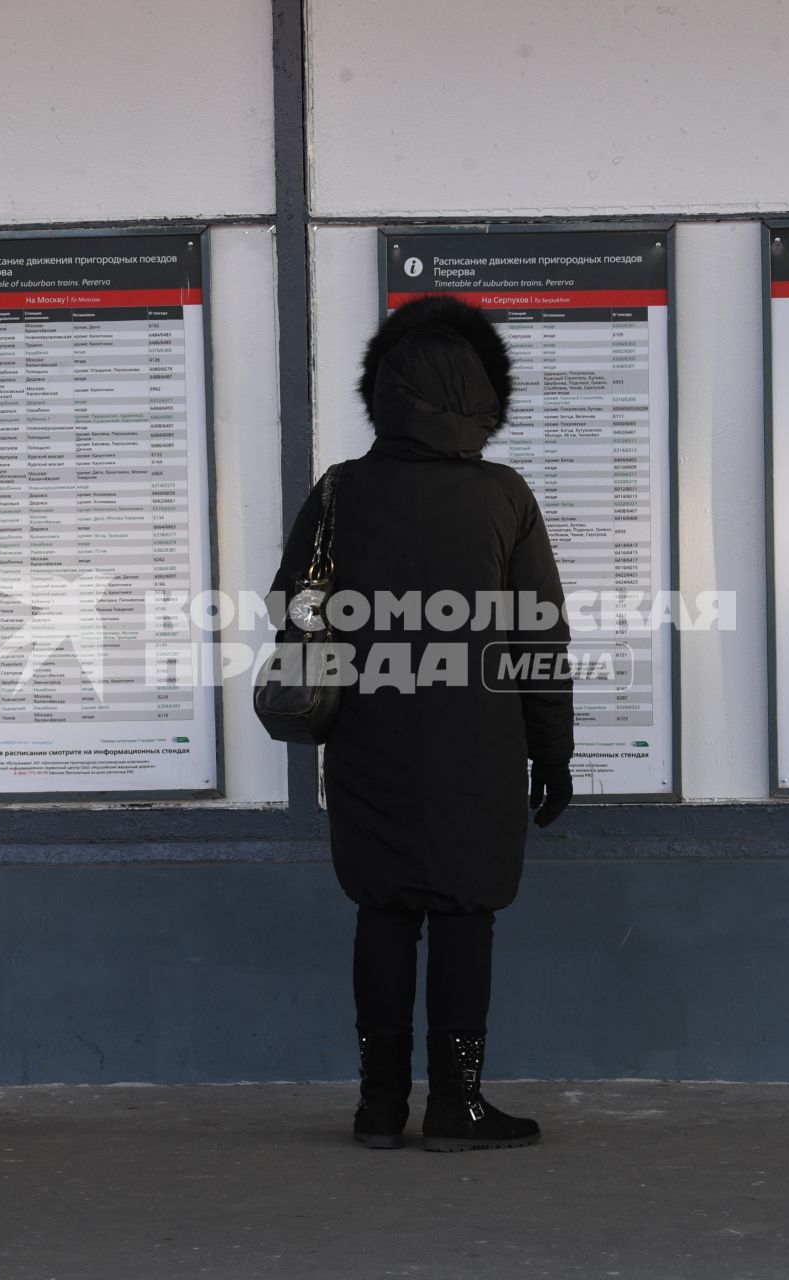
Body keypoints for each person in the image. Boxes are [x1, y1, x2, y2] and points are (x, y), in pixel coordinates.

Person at [267, 296, 575, 1152]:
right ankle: (457, 1105)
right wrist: (553, 753)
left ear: (385, 391)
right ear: (485, 396)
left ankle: (377, 1107)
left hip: (370, 735)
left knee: (384, 909)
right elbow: (537, 631)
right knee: (466, 912)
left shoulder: (342, 489)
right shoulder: (503, 497)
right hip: (481, 743)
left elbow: (291, 606)